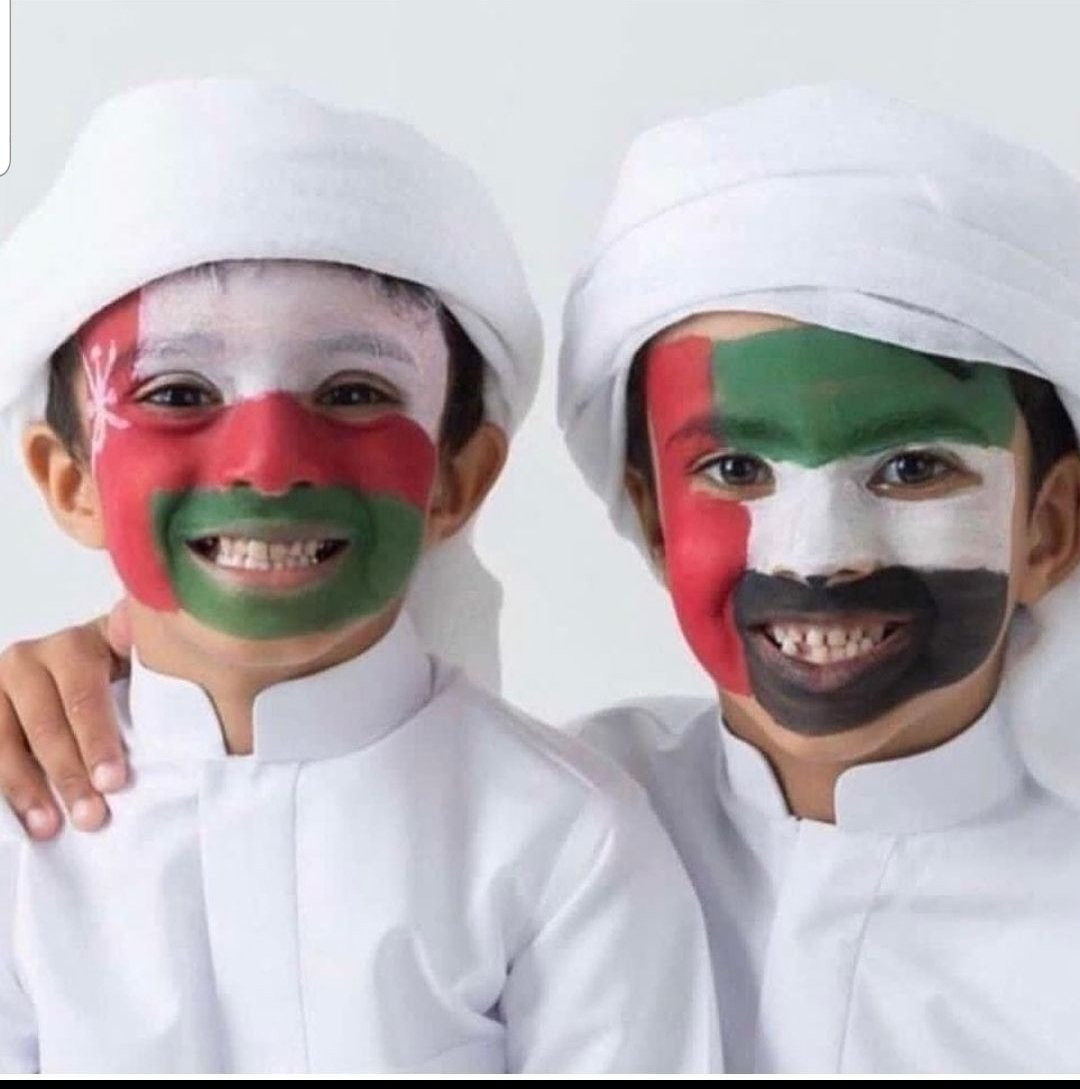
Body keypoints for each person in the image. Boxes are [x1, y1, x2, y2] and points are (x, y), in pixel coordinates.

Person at [0, 79, 719, 1074]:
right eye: (178, 393)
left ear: (457, 478)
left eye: (351, 392)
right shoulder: (20, 824)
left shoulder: (562, 838)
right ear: (67, 479)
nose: (269, 463)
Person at [556, 85, 1080, 1072]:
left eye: (913, 468)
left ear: (1048, 528)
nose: (818, 553)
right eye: (735, 469)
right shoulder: (553, 828)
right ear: (654, 517)